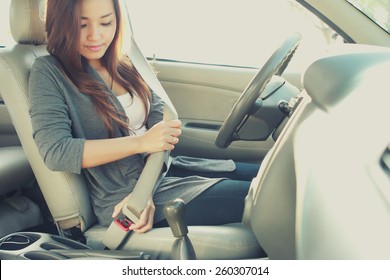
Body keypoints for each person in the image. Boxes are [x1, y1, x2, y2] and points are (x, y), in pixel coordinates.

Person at [29, 0, 259, 234]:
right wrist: (140, 145)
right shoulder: (49, 72)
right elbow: (56, 151)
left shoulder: (125, 62)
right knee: (269, 196)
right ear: (62, 23)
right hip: (122, 197)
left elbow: (163, 123)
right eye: (81, 25)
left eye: (106, 22)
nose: (95, 36)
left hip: (164, 171)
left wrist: (147, 185)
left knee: (272, 174)